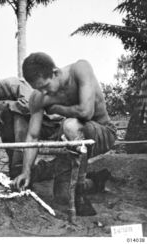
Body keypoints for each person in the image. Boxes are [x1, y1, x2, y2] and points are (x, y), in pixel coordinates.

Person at [12, 52, 116, 216]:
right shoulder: (38, 97)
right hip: (73, 142)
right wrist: (26, 171)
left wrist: (56, 109)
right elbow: (32, 136)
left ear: (55, 72)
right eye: (38, 89)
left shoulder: (80, 69)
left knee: (69, 125)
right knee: (62, 197)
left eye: (45, 86)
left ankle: (80, 193)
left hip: (103, 133)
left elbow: (86, 112)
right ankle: (95, 181)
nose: (43, 93)